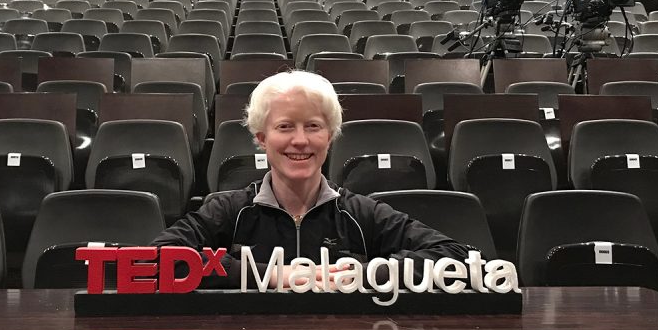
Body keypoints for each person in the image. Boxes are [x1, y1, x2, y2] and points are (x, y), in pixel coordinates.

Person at [150, 70, 476, 289]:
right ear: (261, 138)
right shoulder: (228, 209)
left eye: (314, 126)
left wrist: (364, 273)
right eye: (285, 127)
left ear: (331, 137)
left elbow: (458, 256)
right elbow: (155, 259)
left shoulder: (362, 213)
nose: (301, 140)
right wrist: (276, 275)